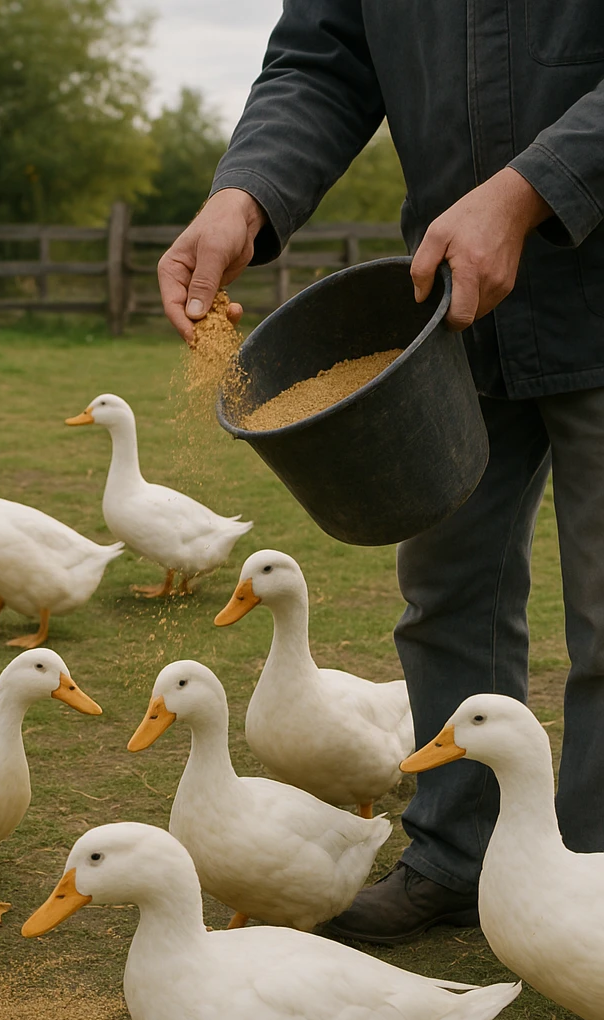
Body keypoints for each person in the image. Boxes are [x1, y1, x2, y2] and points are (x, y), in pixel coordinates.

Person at [158, 1, 604, 945]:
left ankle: (591, 881)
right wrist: (246, 193)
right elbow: (323, 58)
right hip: (450, 315)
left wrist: (529, 189)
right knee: (447, 597)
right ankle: (456, 856)